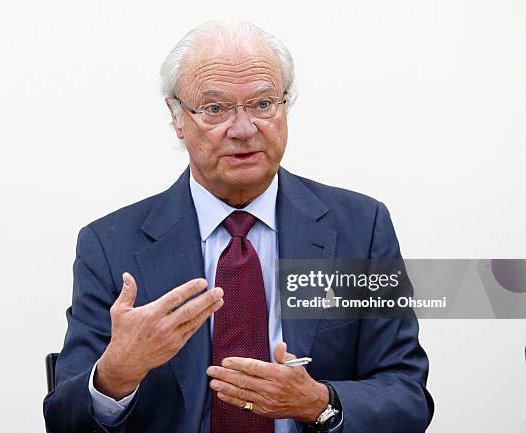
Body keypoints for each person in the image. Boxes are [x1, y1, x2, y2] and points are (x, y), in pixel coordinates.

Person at [43, 19, 434, 433]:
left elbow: (407, 395)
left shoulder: (360, 228)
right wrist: (116, 375)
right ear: (177, 117)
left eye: (263, 104)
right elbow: (63, 421)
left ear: (286, 106)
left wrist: (320, 402)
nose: (244, 129)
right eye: (215, 109)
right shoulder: (109, 245)